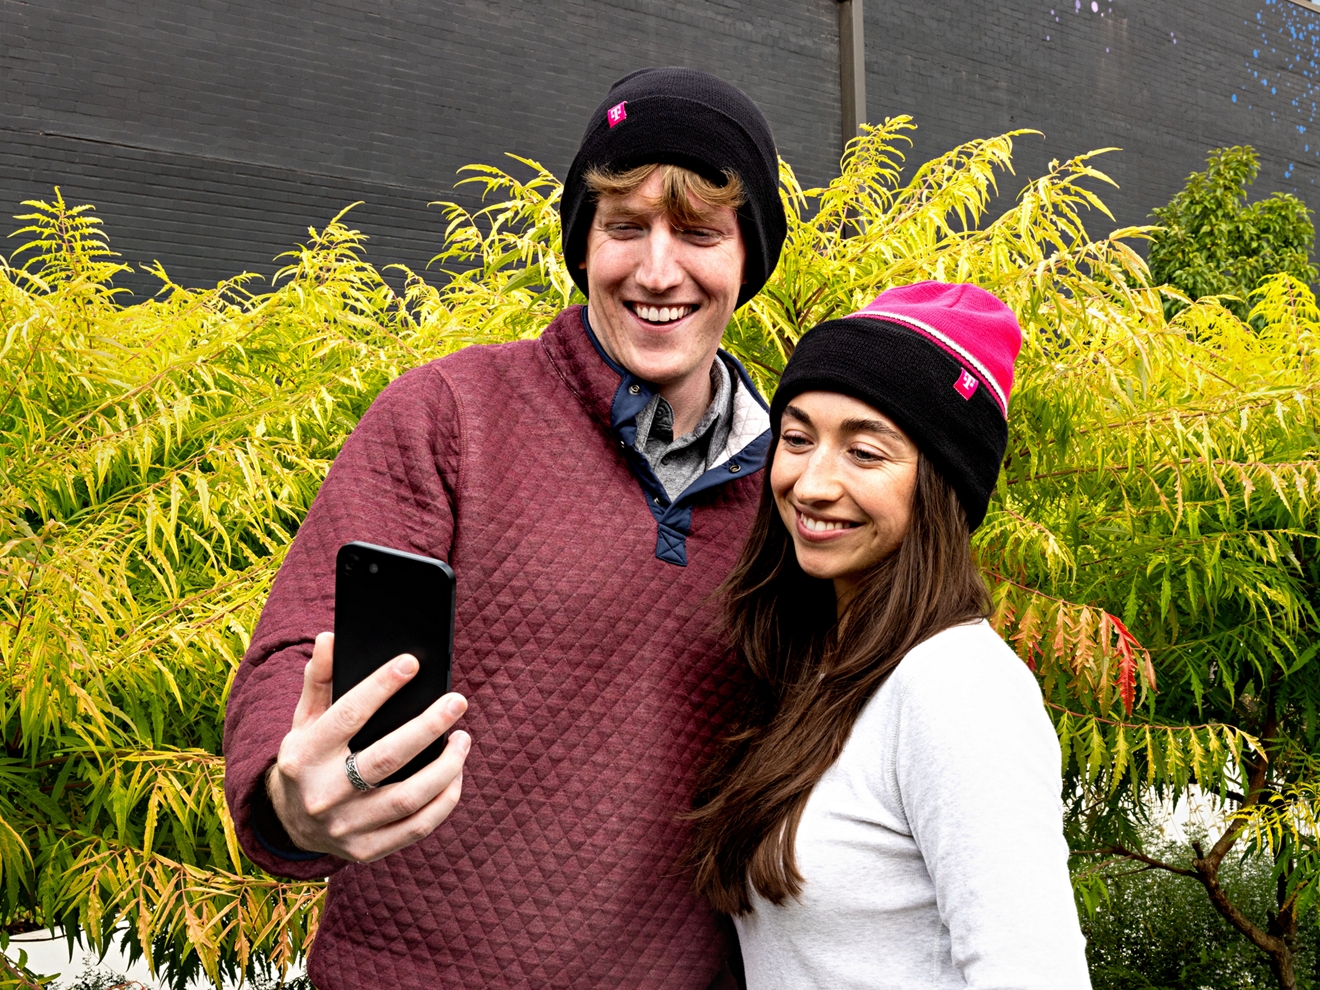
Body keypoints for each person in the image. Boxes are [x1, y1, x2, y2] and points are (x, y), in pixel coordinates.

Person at [222, 68, 786, 989]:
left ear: (746, 257)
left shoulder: (792, 487)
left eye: (698, 233)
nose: (657, 269)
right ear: (583, 241)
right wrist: (290, 797)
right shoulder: (452, 413)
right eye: (624, 227)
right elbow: (298, 648)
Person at [687, 282, 1092, 990]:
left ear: (940, 484)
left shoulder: (958, 687)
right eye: (797, 438)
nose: (813, 484)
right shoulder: (822, 667)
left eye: (865, 453)